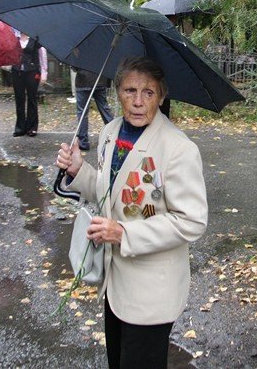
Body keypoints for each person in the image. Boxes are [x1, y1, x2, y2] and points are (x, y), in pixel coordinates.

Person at [56, 56, 208, 369]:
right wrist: (78, 170)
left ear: (162, 96)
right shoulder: (111, 133)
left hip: (152, 291)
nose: (138, 102)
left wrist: (124, 233)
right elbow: (109, 191)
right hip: (115, 284)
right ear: (118, 93)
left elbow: (192, 221)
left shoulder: (178, 149)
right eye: (129, 91)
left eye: (148, 93)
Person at [12, 33, 47, 137]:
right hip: (17, 71)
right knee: (19, 99)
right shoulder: (15, 38)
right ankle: (20, 128)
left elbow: (42, 56)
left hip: (32, 71)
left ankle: (32, 127)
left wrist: (44, 73)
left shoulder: (36, 40)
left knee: (32, 99)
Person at [73, 66, 114, 151]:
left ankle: (83, 142)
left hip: (83, 80)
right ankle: (115, 134)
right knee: (104, 109)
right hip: (100, 79)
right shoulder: (103, 51)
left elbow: (74, 65)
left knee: (82, 112)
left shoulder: (80, 51)